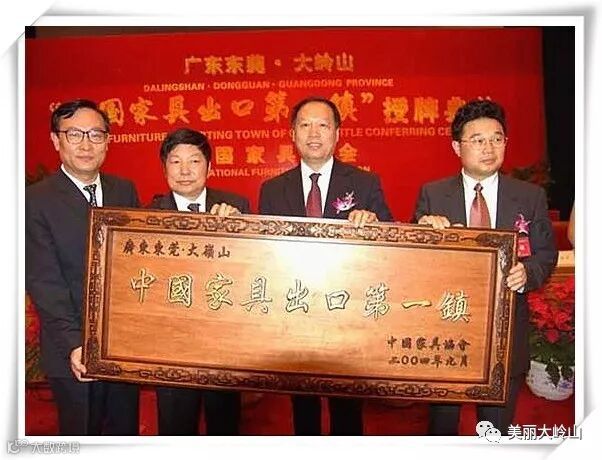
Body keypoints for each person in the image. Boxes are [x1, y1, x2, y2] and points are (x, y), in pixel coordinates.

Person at [413, 99, 558, 435]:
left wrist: (528, 274)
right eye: (478, 140)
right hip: (447, 331)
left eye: (497, 138)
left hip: (506, 334)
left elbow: (545, 255)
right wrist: (424, 231)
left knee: (495, 430)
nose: (489, 148)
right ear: (457, 147)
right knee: (442, 428)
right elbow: (415, 264)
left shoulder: (530, 196)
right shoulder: (433, 195)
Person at [259, 96, 393, 435]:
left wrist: (374, 225)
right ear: (293, 134)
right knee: (303, 408)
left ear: (337, 134)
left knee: (347, 408)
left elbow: (390, 243)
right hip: (295, 310)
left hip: (348, 311)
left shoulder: (364, 183)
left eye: (323, 125)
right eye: (305, 125)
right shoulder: (273, 190)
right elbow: (264, 255)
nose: (314, 133)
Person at [26, 99, 140, 435]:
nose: (86, 144)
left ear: (108, 141)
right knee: (82, 438)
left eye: (95, 134)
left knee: (123, 436)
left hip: (123, 348)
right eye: (74, 134)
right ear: (55, 140)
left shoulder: (124, 189)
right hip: (72, 351)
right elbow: (44, 282)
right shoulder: (35, 200)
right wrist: (76, 344)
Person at [150, 128, 249, 435]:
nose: (184, 170)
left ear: (209, 167)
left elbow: (251, 269)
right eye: (175, 161)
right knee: (176, 429)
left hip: (222, 345)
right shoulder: (148, 215)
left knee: (225, 428)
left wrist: (238, 230)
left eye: (194, 161)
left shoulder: (236, 207)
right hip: (171, 346)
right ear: (164, 168)